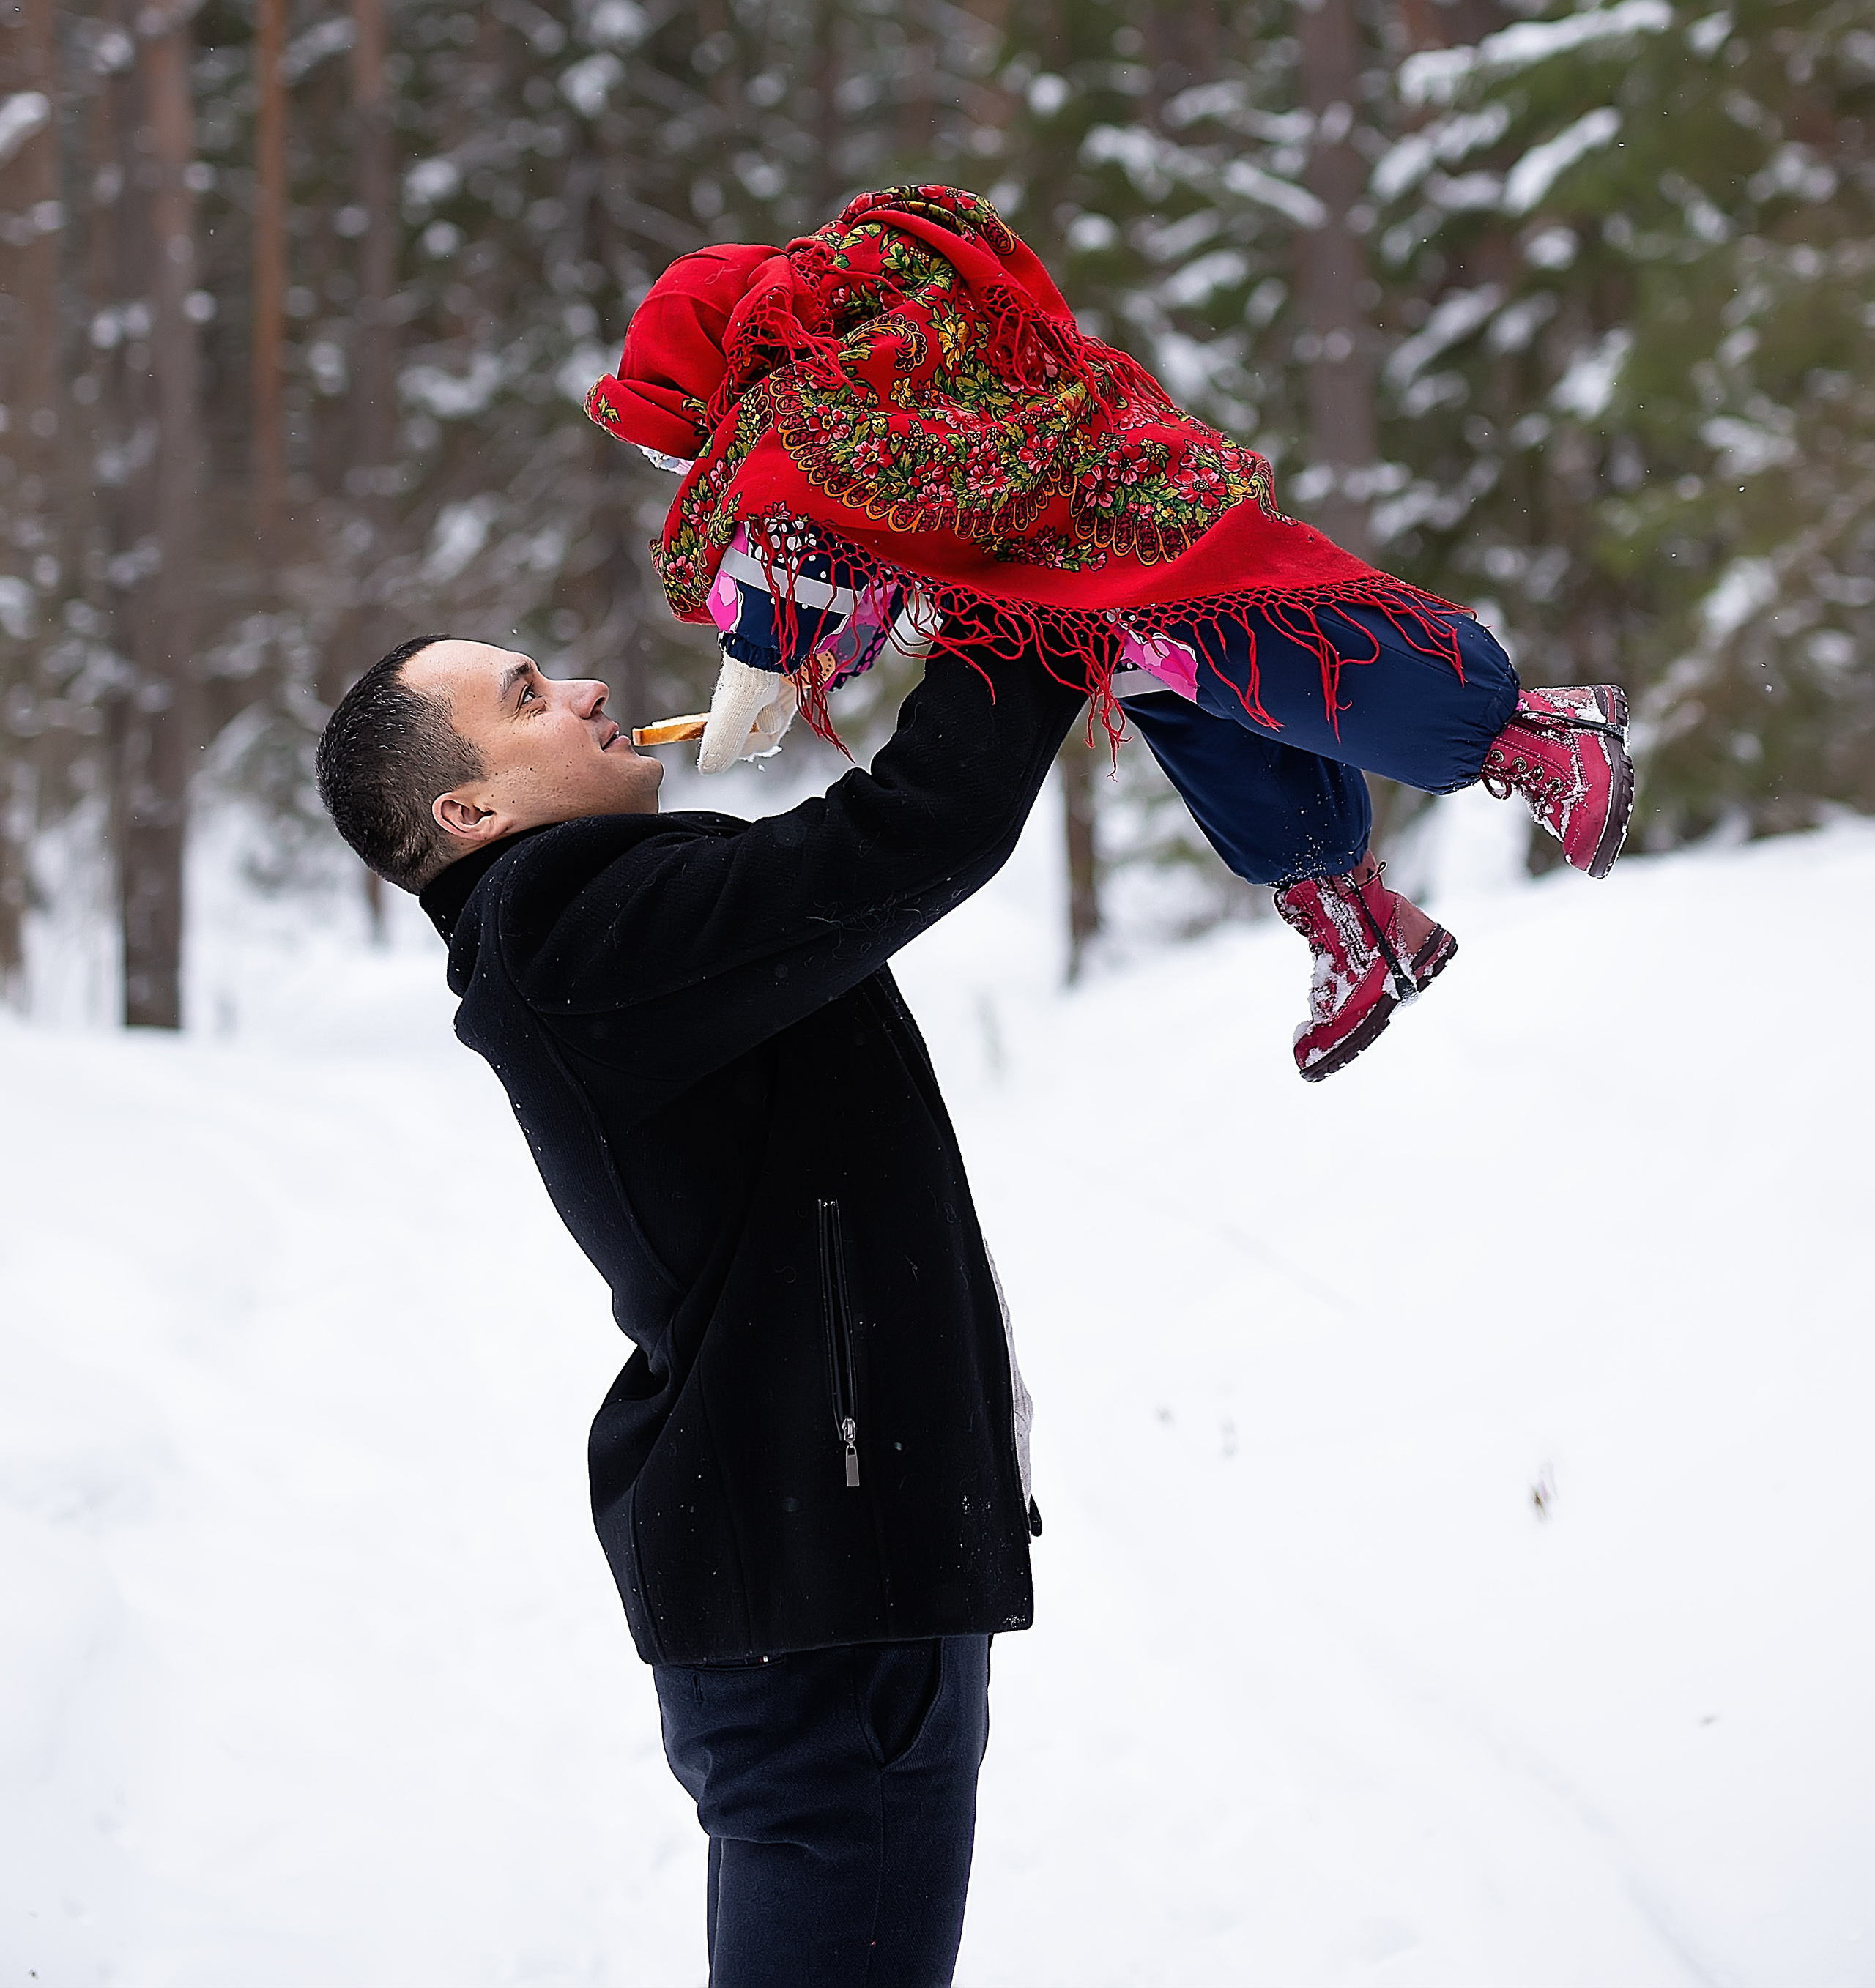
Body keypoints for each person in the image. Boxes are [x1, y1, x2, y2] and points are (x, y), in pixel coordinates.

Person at [315, 624, 1089, 1987]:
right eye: (528, 699)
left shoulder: (594, 919)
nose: (585, 689)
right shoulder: (572, 936)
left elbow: (836, 873)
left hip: (827, 1569)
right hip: (826, 1583)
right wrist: (1026, 610)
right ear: (469, 812)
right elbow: (911, 833)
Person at [586, 185, 1634, 1082]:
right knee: (1208, 715)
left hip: (1137, 522)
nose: (685, 466)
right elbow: (862, 549)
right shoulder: (842, 384)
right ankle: (1351, 915)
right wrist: (795, 660)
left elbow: (801, 538)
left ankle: (1532, 734)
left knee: (1284, 655)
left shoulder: (817, 397)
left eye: (676, 437)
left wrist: (763, 660)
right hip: (1094, 576)